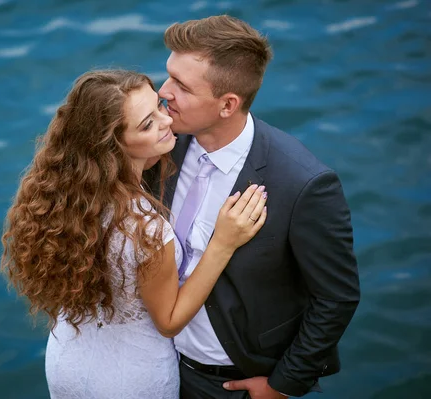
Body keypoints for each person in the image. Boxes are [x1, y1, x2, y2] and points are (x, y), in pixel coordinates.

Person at [0, 69, 268, 399]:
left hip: (68, 360)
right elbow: (168, 321)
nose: (166, 121)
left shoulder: (65, 197)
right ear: (114, 145)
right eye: (147, 124)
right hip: (130, 381)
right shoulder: (146, 228)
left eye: (158, 106)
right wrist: (222, 244)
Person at [145, 15, 360, 399]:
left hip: (230, 383)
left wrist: (283, 385)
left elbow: (336, 297)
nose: (164, 92)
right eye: (168, 75)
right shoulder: (160, 146)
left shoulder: (303, 184)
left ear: (228, 104)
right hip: (154, 364)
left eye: (182, 85)